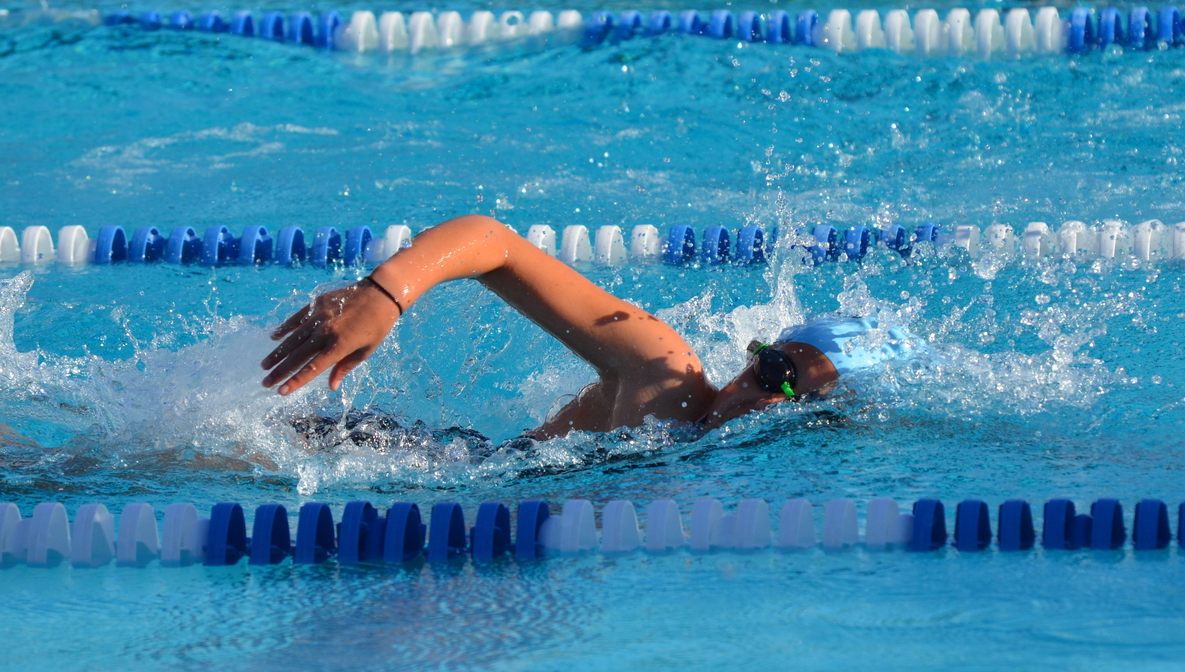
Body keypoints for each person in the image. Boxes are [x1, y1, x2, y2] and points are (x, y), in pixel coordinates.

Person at [262, 215, 917, 440]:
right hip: (429, 464)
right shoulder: (666, 377)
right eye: (774, 369)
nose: (769, 399)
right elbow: (495, 243)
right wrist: (387, 292)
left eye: (803, 405)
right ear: (754, 357)